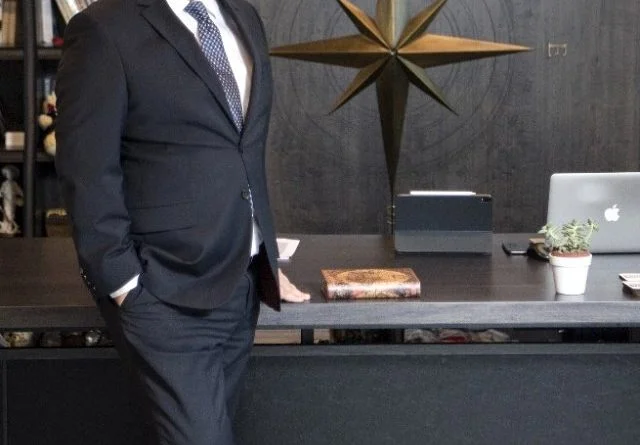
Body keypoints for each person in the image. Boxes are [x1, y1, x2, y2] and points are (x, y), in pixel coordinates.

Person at [55, 0, 309, 444]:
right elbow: (86, 169)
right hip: (163, 291)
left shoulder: (243, 15)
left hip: (240, 283)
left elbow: (241, 149)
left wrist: (260, 250)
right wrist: (123, 283)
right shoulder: (101, 29)